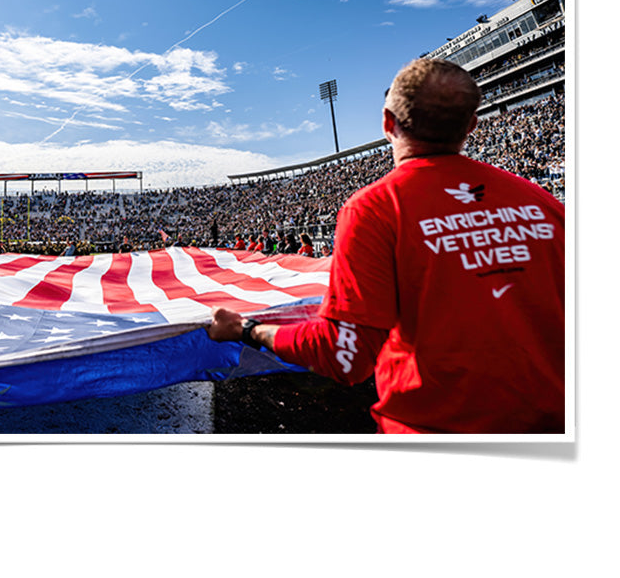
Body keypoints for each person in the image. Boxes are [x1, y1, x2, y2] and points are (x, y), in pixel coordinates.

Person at [208, 58, 565, 434]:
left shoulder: (376, 209)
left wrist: (247, 329)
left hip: (431, 431)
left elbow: (344, 357)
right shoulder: (543, 203)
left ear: (387, 123)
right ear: (472, 126)